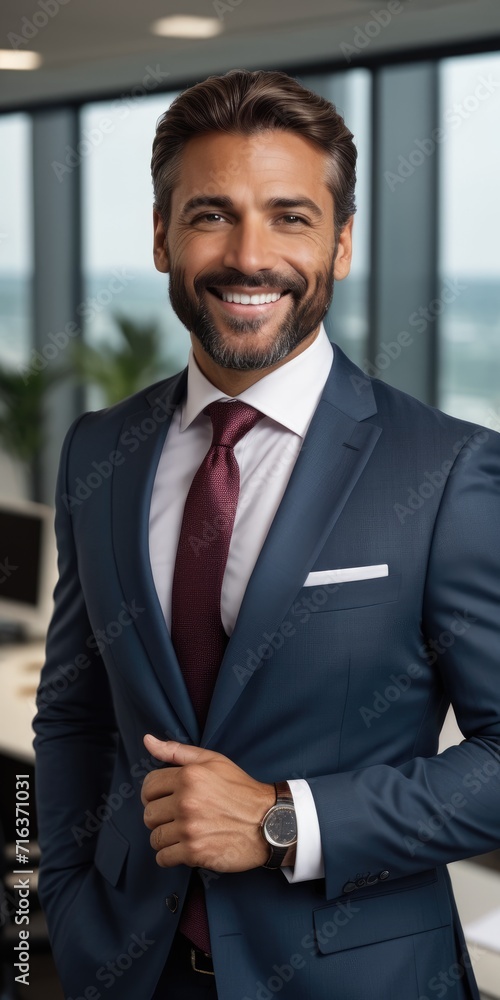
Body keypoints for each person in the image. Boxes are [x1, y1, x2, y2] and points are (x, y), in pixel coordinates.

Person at [33, 69, 500, 1000]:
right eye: (212, 214)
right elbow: (73, 717)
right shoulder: (101, 450)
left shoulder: (447, 471)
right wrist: (50, 904)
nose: (251, 256)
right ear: (162, 237)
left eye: (291, 216)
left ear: (342, 242)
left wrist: (288, 821)